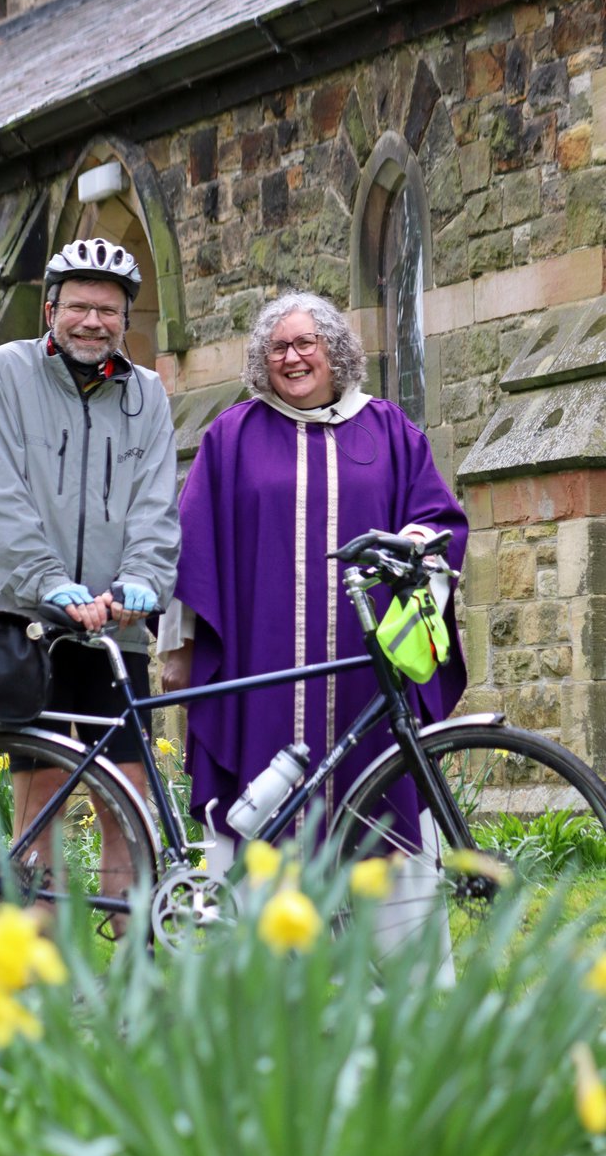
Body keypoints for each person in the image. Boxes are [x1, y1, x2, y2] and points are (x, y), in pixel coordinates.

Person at [159, 291, 468, 876]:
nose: (292, 358)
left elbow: (437, 521)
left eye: (306, 343)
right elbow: (192, 543)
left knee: (381, 800)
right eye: (278, 348)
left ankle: (384, 954)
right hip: (261, 667)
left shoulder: (388, 431)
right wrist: (181, 647)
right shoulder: (232, 438)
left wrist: (414, 552)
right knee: (261, 806)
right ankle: (266, 953)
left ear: (335, 352)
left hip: (366, 660)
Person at [0, 236, 180, 905]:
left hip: (117, 629)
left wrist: (143, 578)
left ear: (124, 320)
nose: (94, 322)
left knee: (129, 804)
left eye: (109, 311)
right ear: (50, 309)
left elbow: (156, 500)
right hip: (30, 625)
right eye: (80, 307)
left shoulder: (146, 393)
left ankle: (134, 974)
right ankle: (42, 974)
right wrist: (48, 580)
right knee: (41, 807)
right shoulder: (3, 373)